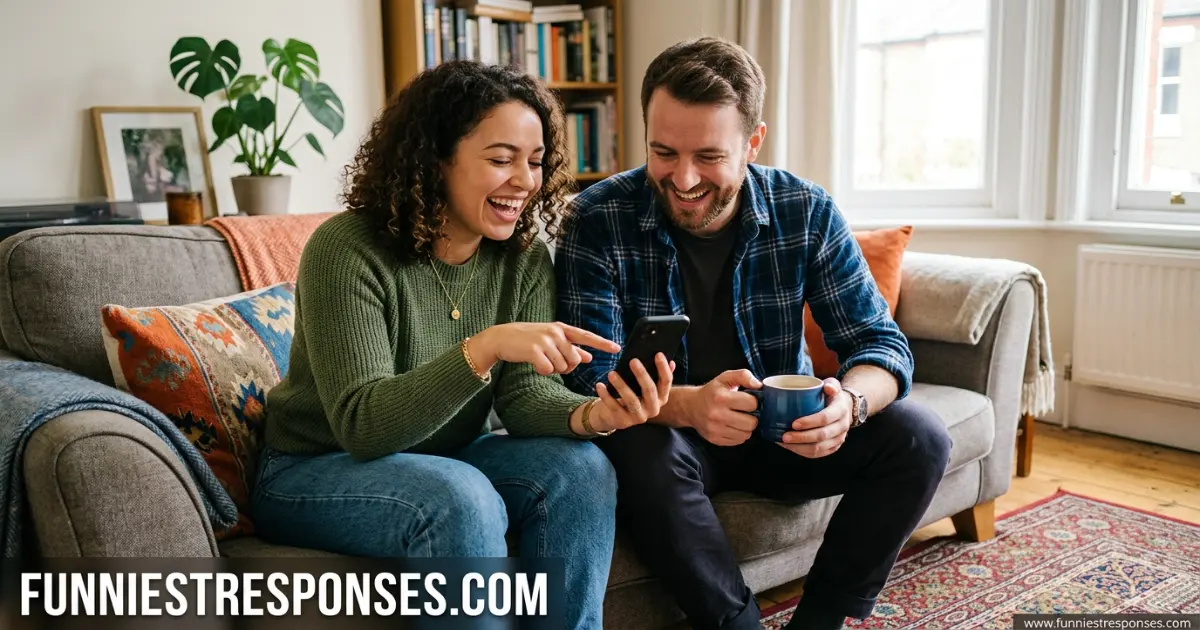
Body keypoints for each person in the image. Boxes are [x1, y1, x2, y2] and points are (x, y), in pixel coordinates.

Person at [253, 60, 674, 630]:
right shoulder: (346, 250)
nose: (524, 181)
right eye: (501, 160)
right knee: (460, 495)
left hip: (445, 457)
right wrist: (484, 348)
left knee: (582, 468)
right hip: (315, 468)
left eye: (534, 162)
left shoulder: (523, 258)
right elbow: (363, 425)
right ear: (436, 158)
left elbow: (526, 399)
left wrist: (595, 414)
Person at [555, 38, 952, 630]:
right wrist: (689, 406)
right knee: (635, 447)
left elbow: (879, 344)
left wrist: (849, 403)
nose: (683, 179)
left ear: (754, 142)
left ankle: (820, 621)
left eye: (709, 156)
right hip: (675, 440)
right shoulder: (596, 218)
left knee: (920, 436)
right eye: (663, 151)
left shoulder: (806, 211)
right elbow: (590, 380)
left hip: (781, 434)